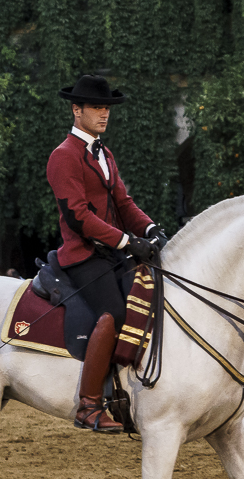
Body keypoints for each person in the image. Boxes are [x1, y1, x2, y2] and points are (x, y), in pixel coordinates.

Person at [34, 73, 167, 434]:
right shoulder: (63, 157)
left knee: (149, 296)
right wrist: (126, 241)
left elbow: (123, 202)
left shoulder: (104, 152)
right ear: (76, 111)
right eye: (96, 107)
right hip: (82, 255)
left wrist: (151, 230)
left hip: (111, 253)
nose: (103, 114)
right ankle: (89, 404)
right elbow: (78, 217)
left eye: (106, 107)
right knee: (114, 311)